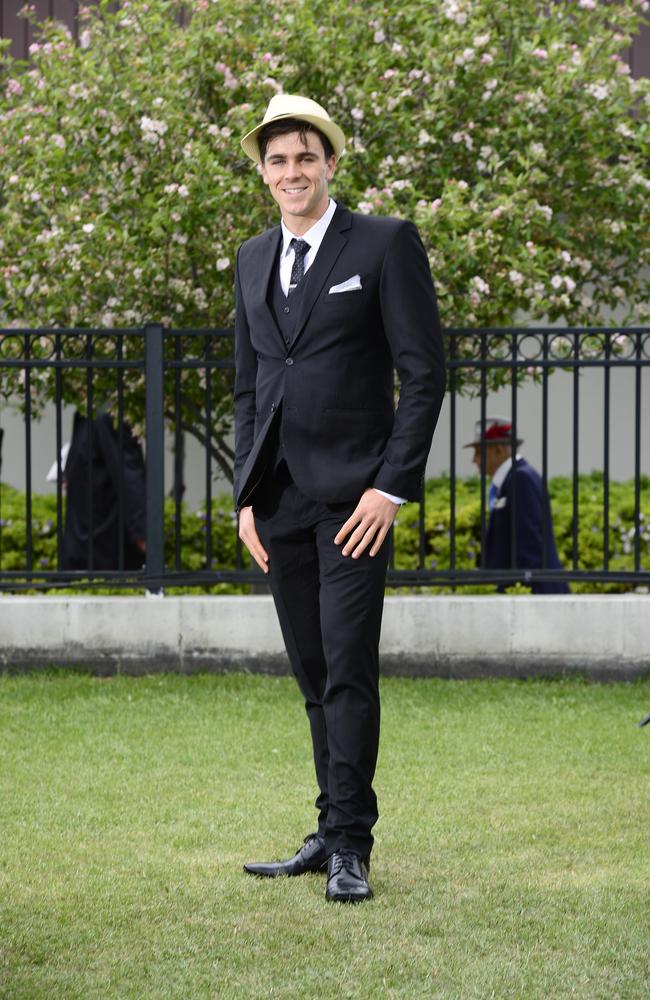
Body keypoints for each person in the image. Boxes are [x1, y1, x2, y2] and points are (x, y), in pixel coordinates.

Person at [233, 94, 446, 903]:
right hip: (280, 503)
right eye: (277, 160)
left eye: (305, 157)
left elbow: (423, 376)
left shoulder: (386, 244)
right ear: (264, 172)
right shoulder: (252, 259)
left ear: (330, 162)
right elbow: (251, 388)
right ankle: (328, 826)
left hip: (356, 503)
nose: (292, 171)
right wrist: (246, 498)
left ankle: (352, 844)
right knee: (314, 673)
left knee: (349, 669)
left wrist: (391, 487)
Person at [466, 416, 568, 594]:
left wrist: (523, 591)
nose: (474, 460)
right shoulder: (512, 478)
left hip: (534, 592)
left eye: (478, 452)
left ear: (498, 450)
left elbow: (530, 543)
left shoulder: (520, 478)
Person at [61, 410, 146, 571]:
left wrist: (141, 531)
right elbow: (128, 472)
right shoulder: (95, 412)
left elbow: (127, 473)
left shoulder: (103, 413)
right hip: (97, 536)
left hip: (99, 536)